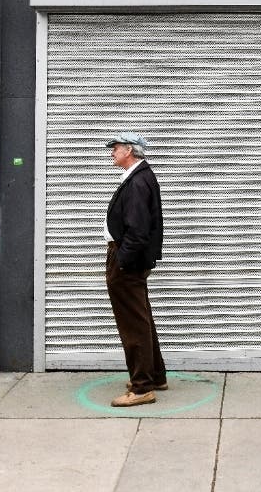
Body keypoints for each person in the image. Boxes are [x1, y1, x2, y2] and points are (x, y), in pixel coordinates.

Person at [104, 132, 167, 406]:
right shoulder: (139, 177)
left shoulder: (138, 181)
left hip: (127, 259)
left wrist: (122, 260)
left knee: (133, 324)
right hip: (129, 257)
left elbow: (138, 231)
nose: (112, 152)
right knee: (142, 317)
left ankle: (142, 388)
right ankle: (155, 375)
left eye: (116, 147)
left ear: (129, 150)